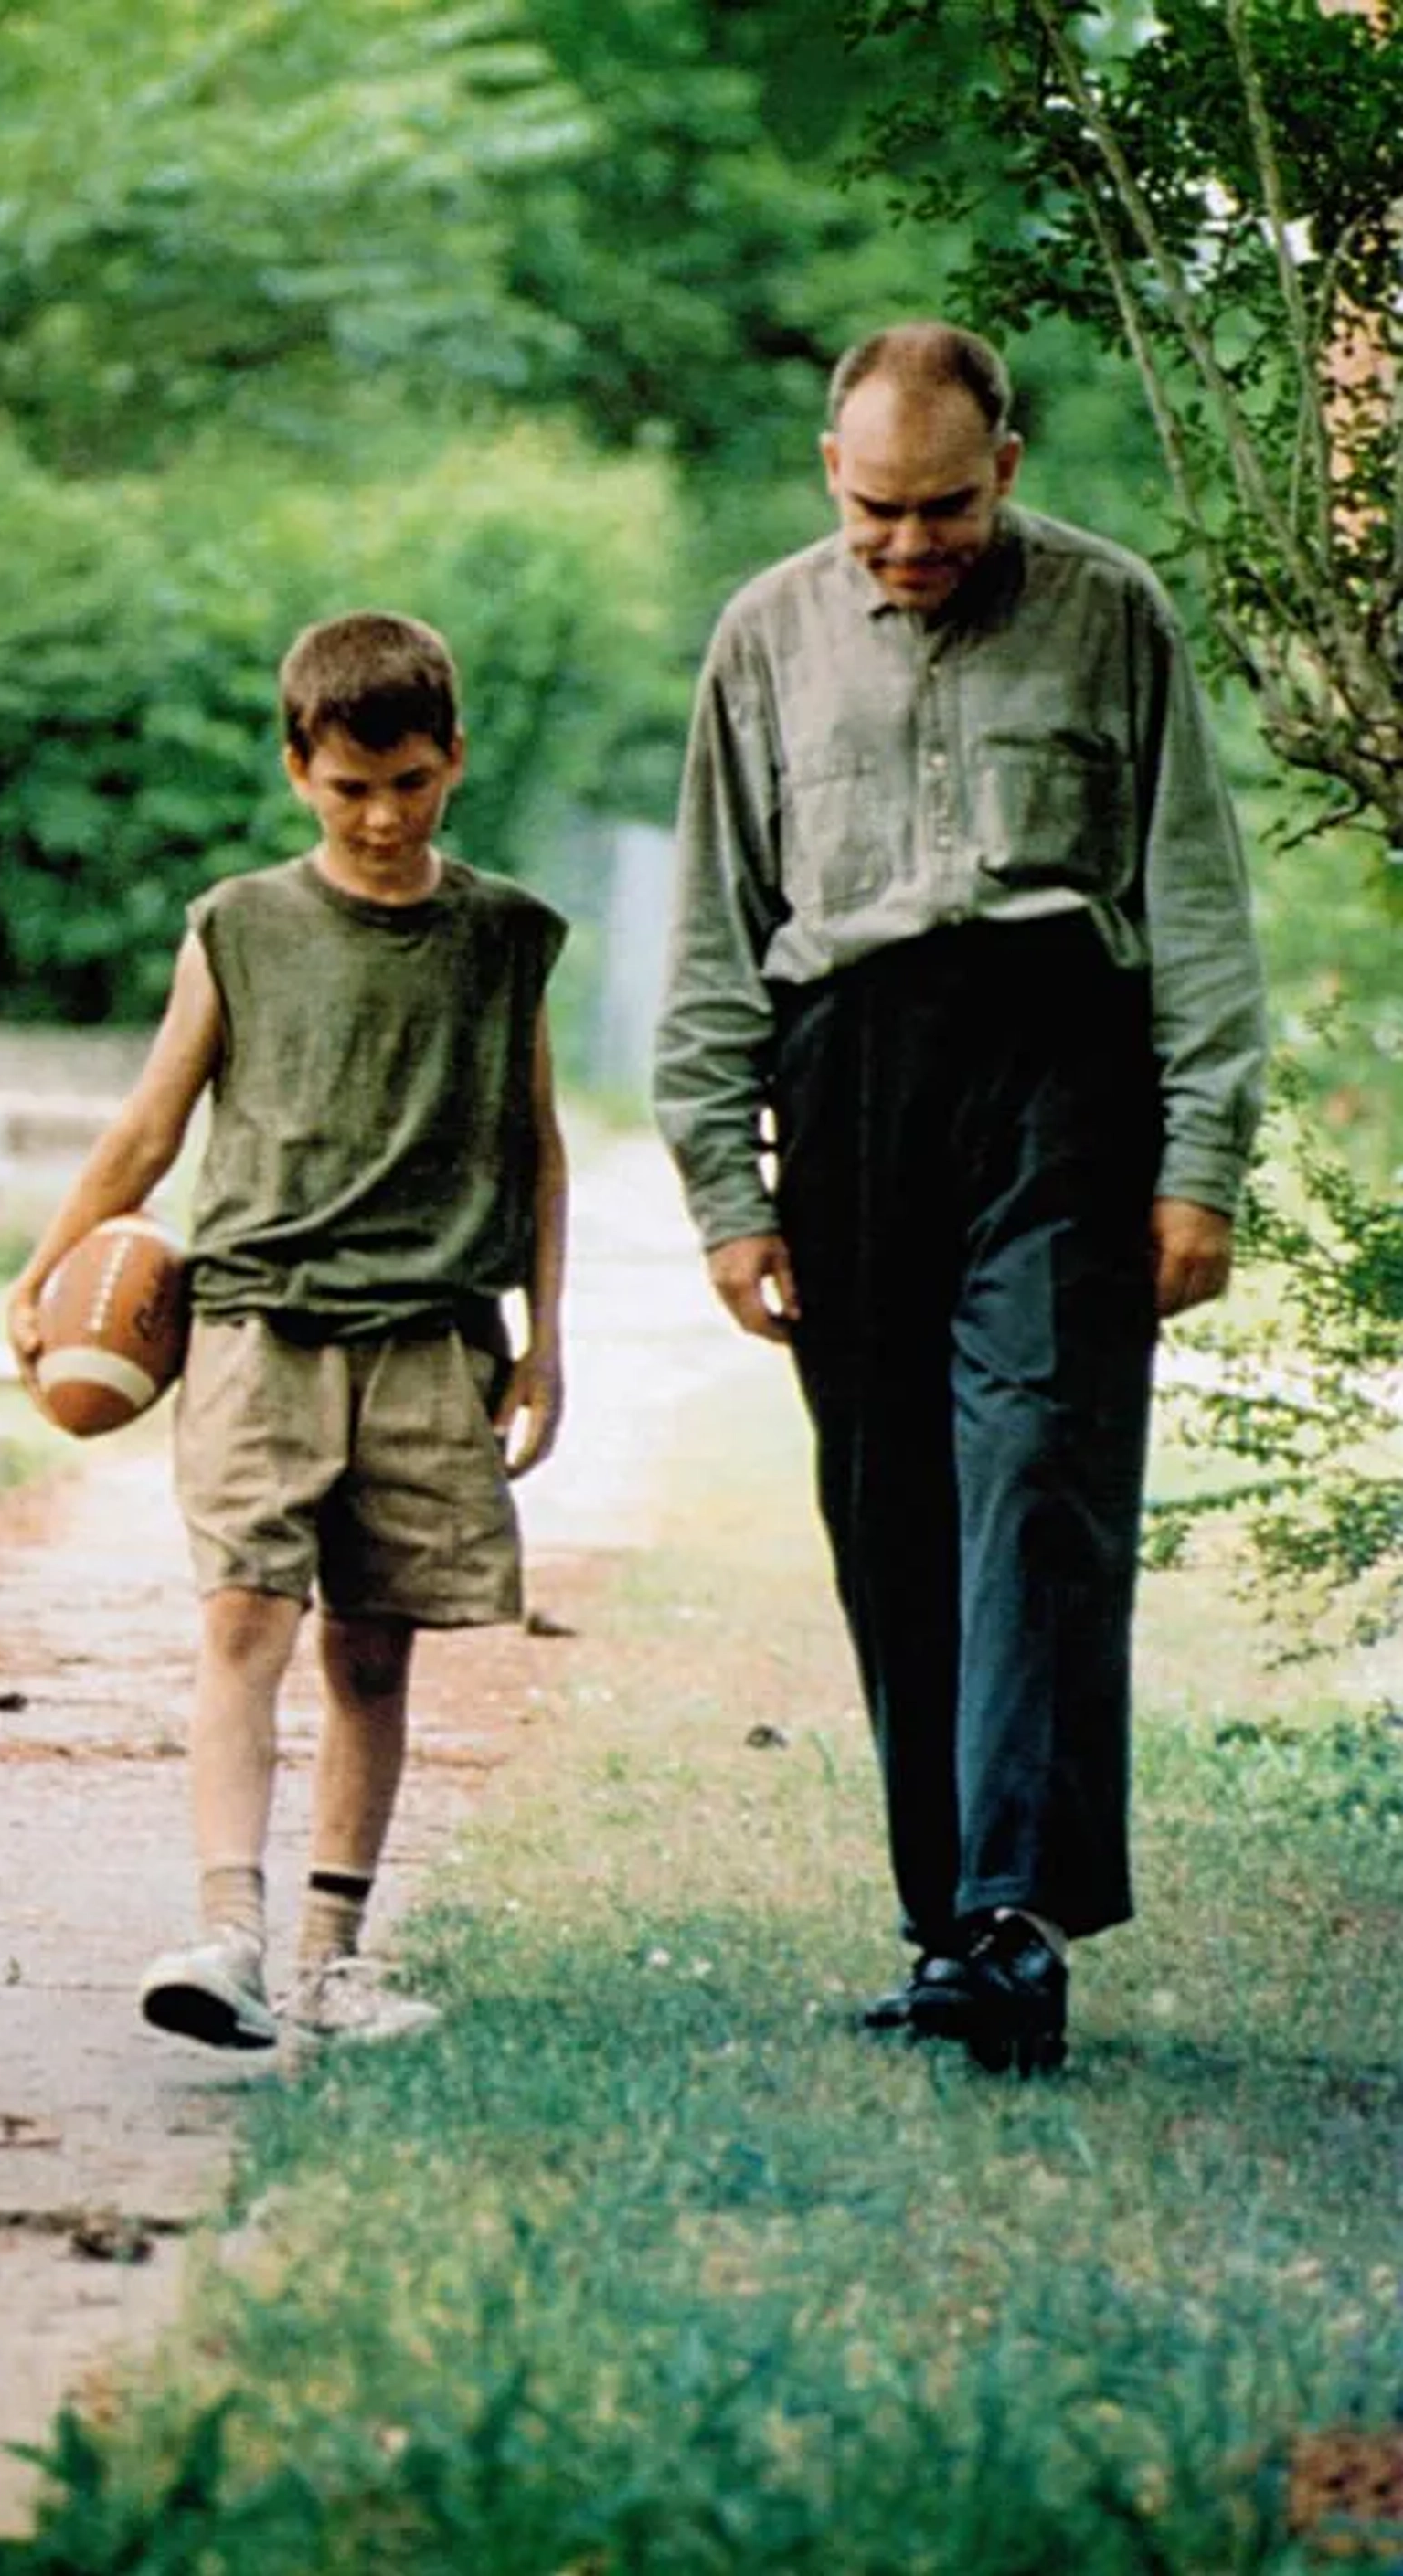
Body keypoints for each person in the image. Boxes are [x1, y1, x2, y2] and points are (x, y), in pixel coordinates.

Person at [653, 322, 1266, 2074]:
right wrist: (721, 1180)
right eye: (874, 513)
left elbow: (1199, 897)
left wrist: (1199, 1156)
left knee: (1038, 1479)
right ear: (827, 473)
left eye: (942, 508)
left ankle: (1014, 1915)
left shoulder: (1111, 609)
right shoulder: (763, 634)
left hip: (1062, 1070)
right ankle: (946, 1924)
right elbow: (714, 923)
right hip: (846, 1087)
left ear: (1008, 461)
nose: (909, 546)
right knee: (891, 1502)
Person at [7, 610, 569, 2050]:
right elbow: (151, 1121)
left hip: (432, 1336)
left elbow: (537, 1142)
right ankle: (227, 1934)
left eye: (412, 784)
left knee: (375, 1653)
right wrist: (50, 1258)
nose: (383, 818)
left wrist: (545, 1338)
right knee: (246, 1615)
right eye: (350, 788)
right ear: (297, 770)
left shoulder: (503, 936)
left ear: (453, 760)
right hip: (257, 1325)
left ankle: (332, 1952)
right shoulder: (240, 924)